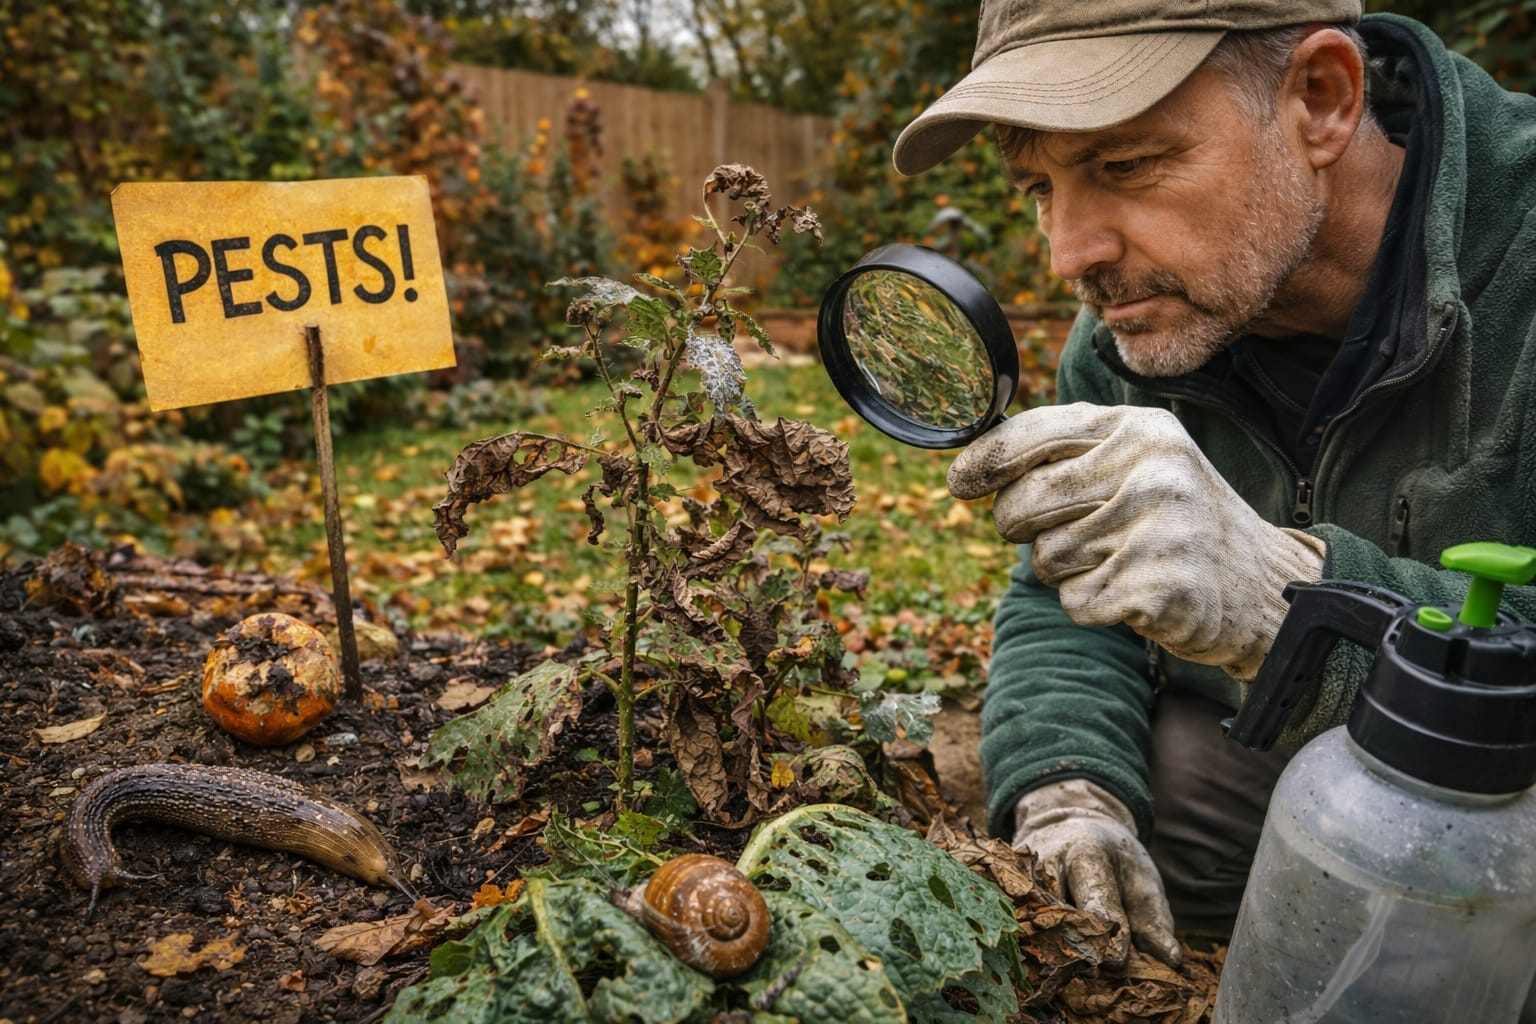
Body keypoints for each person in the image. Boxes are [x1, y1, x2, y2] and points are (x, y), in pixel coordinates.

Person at [892, 0, 1536, 979]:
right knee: (1170, 775)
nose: (1069, 254)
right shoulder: (1128, 333)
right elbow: (1066, 596)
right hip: (1307, 765)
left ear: (1320, 100)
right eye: (1037, 187)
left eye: (1124, 165)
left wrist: (1302, 603)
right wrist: (1067, 787)